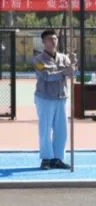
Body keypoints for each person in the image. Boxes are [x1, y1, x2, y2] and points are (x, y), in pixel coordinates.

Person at [33, 29, 75, 170]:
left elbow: (71, 73)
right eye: (50, 39)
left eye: (55, 38)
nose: (53, 41)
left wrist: (74, 64)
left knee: (61, 130)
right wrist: (64, 72)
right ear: (44, 42)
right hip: (45, 98)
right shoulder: (38, 60)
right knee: (45, 129)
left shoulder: (64, 58)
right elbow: (46, 76)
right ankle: (46, 158)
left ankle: (58, 158)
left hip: (61, 97)